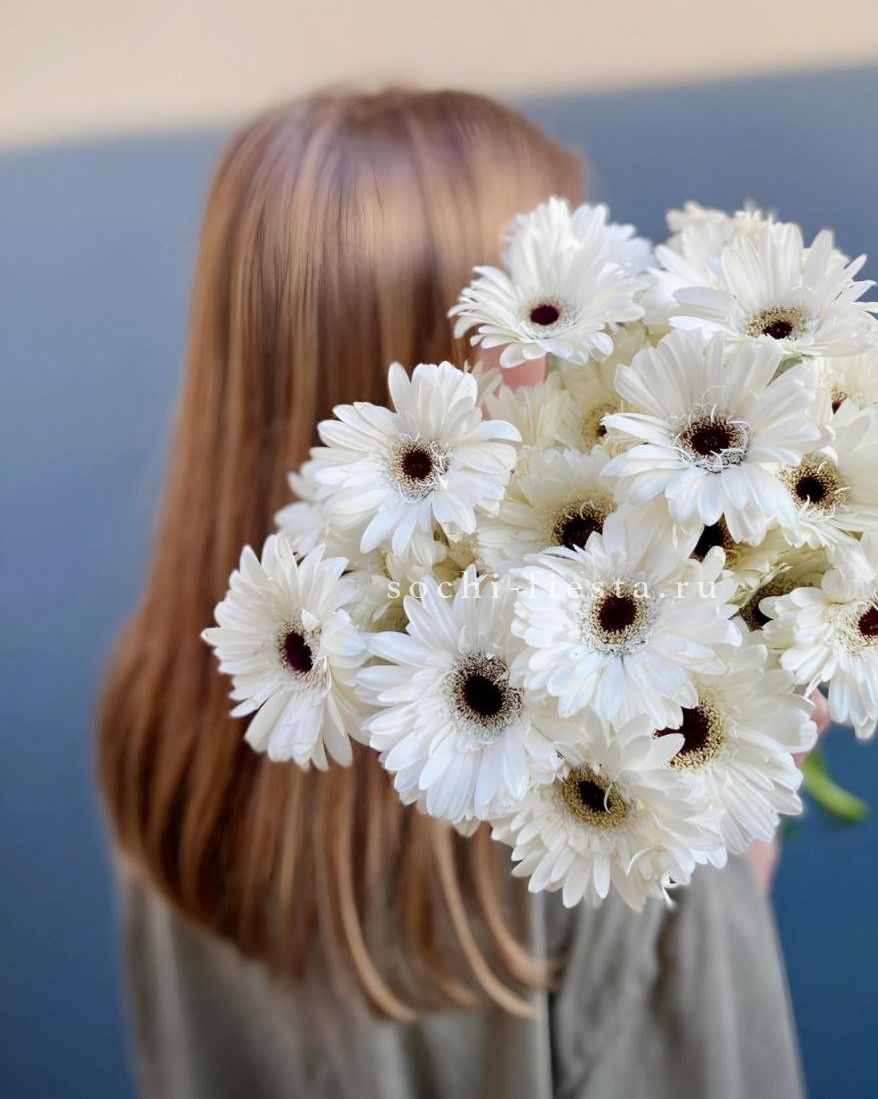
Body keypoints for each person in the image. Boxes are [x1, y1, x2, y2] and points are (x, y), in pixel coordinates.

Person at [98, 87, 807, 1098]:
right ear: (456, 363)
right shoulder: (612, 786)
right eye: (552, 311)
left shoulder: (153, 713)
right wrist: (726, 871)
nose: (601, 342)